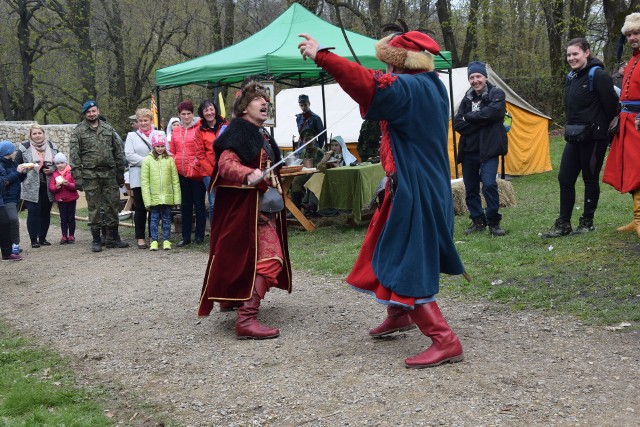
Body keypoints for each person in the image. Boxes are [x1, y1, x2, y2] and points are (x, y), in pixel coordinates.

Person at [298, 30, 466, 368]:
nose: (385, 71)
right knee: (381, 247)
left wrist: (323, 56)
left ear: (399, 63)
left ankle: (444, 339)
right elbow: (377, 88)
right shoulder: (429, 85)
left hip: (417, 189)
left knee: (409, 260)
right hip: (410, 183)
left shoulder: (412, 89)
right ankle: (399, 314)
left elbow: (367, 84)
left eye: (388, 65)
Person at [198, 81, 292, 339]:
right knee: (271, 260)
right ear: (243, 108)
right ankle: (246, 319)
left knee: (239, 257)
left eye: (266, 99)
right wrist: (249, 173)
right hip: (245, 213)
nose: (265, 102)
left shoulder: (260, 132)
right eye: (258, 99)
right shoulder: (238, 132)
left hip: (259, 211)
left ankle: (231, 299)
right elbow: (226, 164)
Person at [541, 38, 618, 238]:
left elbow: (611, 106)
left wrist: (601, 129)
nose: (571, 58)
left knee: (590, 179)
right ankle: (563, 223)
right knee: (565, 178)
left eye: (575, 54)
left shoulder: (598, 75)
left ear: (586, 52)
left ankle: (587, 222)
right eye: (568, 55)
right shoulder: (571, 77)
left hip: (594, 137)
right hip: (574, 135)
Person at [453, 61, 508, 237]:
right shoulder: (466, 98)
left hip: (489, 150)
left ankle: (493, 222)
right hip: (469, 151)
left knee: (489, 185)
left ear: (485, 77)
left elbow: (496, 113)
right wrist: (482, 121)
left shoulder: (496, 93)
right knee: (470, 188)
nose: (475, 80)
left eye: (478, 76)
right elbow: (457, 123)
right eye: (472, 77)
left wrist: (470, 118)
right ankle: (478, 220)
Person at [69, 100, 129, 252]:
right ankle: (96, 239)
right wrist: (77, 177)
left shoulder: (108, 128)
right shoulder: (78, 131)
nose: (91, 114)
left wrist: (120, 172)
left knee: (112, 205)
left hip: (109, 173)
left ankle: (112, 238)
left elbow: (118, 151)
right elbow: (74, 156)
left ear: (98, 111)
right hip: (90, 174)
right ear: (84, 114)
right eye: (88, 112)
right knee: (94, 207)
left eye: (94, 111)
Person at [604, 13, 640, 238]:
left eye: (636, 33)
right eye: (629, 35)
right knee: (629, 171)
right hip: (626, 122)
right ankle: (636, 217)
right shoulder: (633, 60)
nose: (632, 38)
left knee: (639, 170)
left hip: (638, 122)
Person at [124, 108, 167, 249]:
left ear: (150, 120)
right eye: (140, 120)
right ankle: (140, 237)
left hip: (156, 176)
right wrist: (148, 162)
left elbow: (166, 151)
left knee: (155, 207)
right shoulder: (132, 136)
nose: (143, 123)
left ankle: (153, 235)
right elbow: (129, 154)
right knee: (141, 207)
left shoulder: (160, 133)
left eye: (145, 120)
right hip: (139, 176)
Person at [171, 100, 211, 246]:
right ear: (179, 115)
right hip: (181, 172)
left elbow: (202, 148)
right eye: (183, 114)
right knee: (185, 205)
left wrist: (195, 161)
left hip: (196, 171)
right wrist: (175, 159)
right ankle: (185, 235)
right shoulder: (176, 130)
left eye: (188, 114)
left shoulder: (199, 127)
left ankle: (200, 235)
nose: (186, 117)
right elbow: (173, 149)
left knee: (199, 204)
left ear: (192, 114)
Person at [15, 123, 58, 248]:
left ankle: (43, 238)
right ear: (30, 135)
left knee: (45, 212)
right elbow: (17, 165)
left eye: (39, 133)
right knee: (33, 212)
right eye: (35, 133)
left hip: (48, 184)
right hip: (30, 185)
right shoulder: (24, 147)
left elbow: (60, 162)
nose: (37, 135)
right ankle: (33, 240)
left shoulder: (52, 146)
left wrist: (51, 169)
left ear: (43, 134)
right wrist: (26, 168)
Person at [141, 135, 181, 251]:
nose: (160, 148)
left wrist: (177, 198)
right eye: (157, 146)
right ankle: (154, 240)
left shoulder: (169, 160)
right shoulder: (147, 160)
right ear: (153, 146)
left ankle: (166, 240)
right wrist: (147, 200)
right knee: (153, 219)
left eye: (162, 146)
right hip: (154, 197)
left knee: (167, 219)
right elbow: (145, 182)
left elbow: (175, 180)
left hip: (167, 197)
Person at [302, 135, 357, 215]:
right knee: (316, 177)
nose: (334, 148)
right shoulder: (330, 156)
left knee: (317, 178)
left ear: (341, 146)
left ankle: (311, 205)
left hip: (341, 181)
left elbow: (349, 173)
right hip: (329, 179)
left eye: (336, 145)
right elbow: (319, 169)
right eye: (332, 145)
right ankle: (311, 205)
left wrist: (338, 167)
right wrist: (323, 161)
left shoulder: (348, 157)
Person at [195, 99, 229, 224]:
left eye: (211, 109)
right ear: (202, 113)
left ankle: (226, 228)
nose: (209, 112)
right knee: (213, 201)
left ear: (215, 110)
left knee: (227, 200)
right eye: (206, 110)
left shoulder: (225, 125)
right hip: (209, 172)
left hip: (226, 169)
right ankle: (215, 231)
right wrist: (212, 171)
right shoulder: (200, 130)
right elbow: (200, 154)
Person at [0, 140, 29, 258]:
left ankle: (13, 245)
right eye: (13, 150)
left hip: (14, 196)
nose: (15, 152)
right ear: (7, 152)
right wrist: (17, 173)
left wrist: (24, 173)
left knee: (11, 223)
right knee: (12, 222)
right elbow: (5, 182)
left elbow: (17, 179)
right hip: (6, 198)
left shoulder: (12, 163)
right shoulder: (1, 165)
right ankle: (13, 246)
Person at [48, 152, 79, 244]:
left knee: (71, 218)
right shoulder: (55, 174)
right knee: (63, 218)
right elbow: (51, 187)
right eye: (57, 163)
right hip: (61, 200)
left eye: (62, 163)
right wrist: (56, 187)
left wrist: (68, 184)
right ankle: (64, 235)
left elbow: (76, 185)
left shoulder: (71, 172)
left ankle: (71, 235)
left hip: (71, 199)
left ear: (66, 163)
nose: (60, 165)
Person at [290, 128, 324, 212]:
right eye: (306, 139)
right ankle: (296, 210)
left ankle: (301, 208)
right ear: (303, 141)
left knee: (297, 180)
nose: (308, 141)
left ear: (314, 140)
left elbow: (321, 167)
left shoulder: (319, 152)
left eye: (310, 139)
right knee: (294, 180)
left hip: (316, 175)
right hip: (305, 174)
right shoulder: (303, 152)